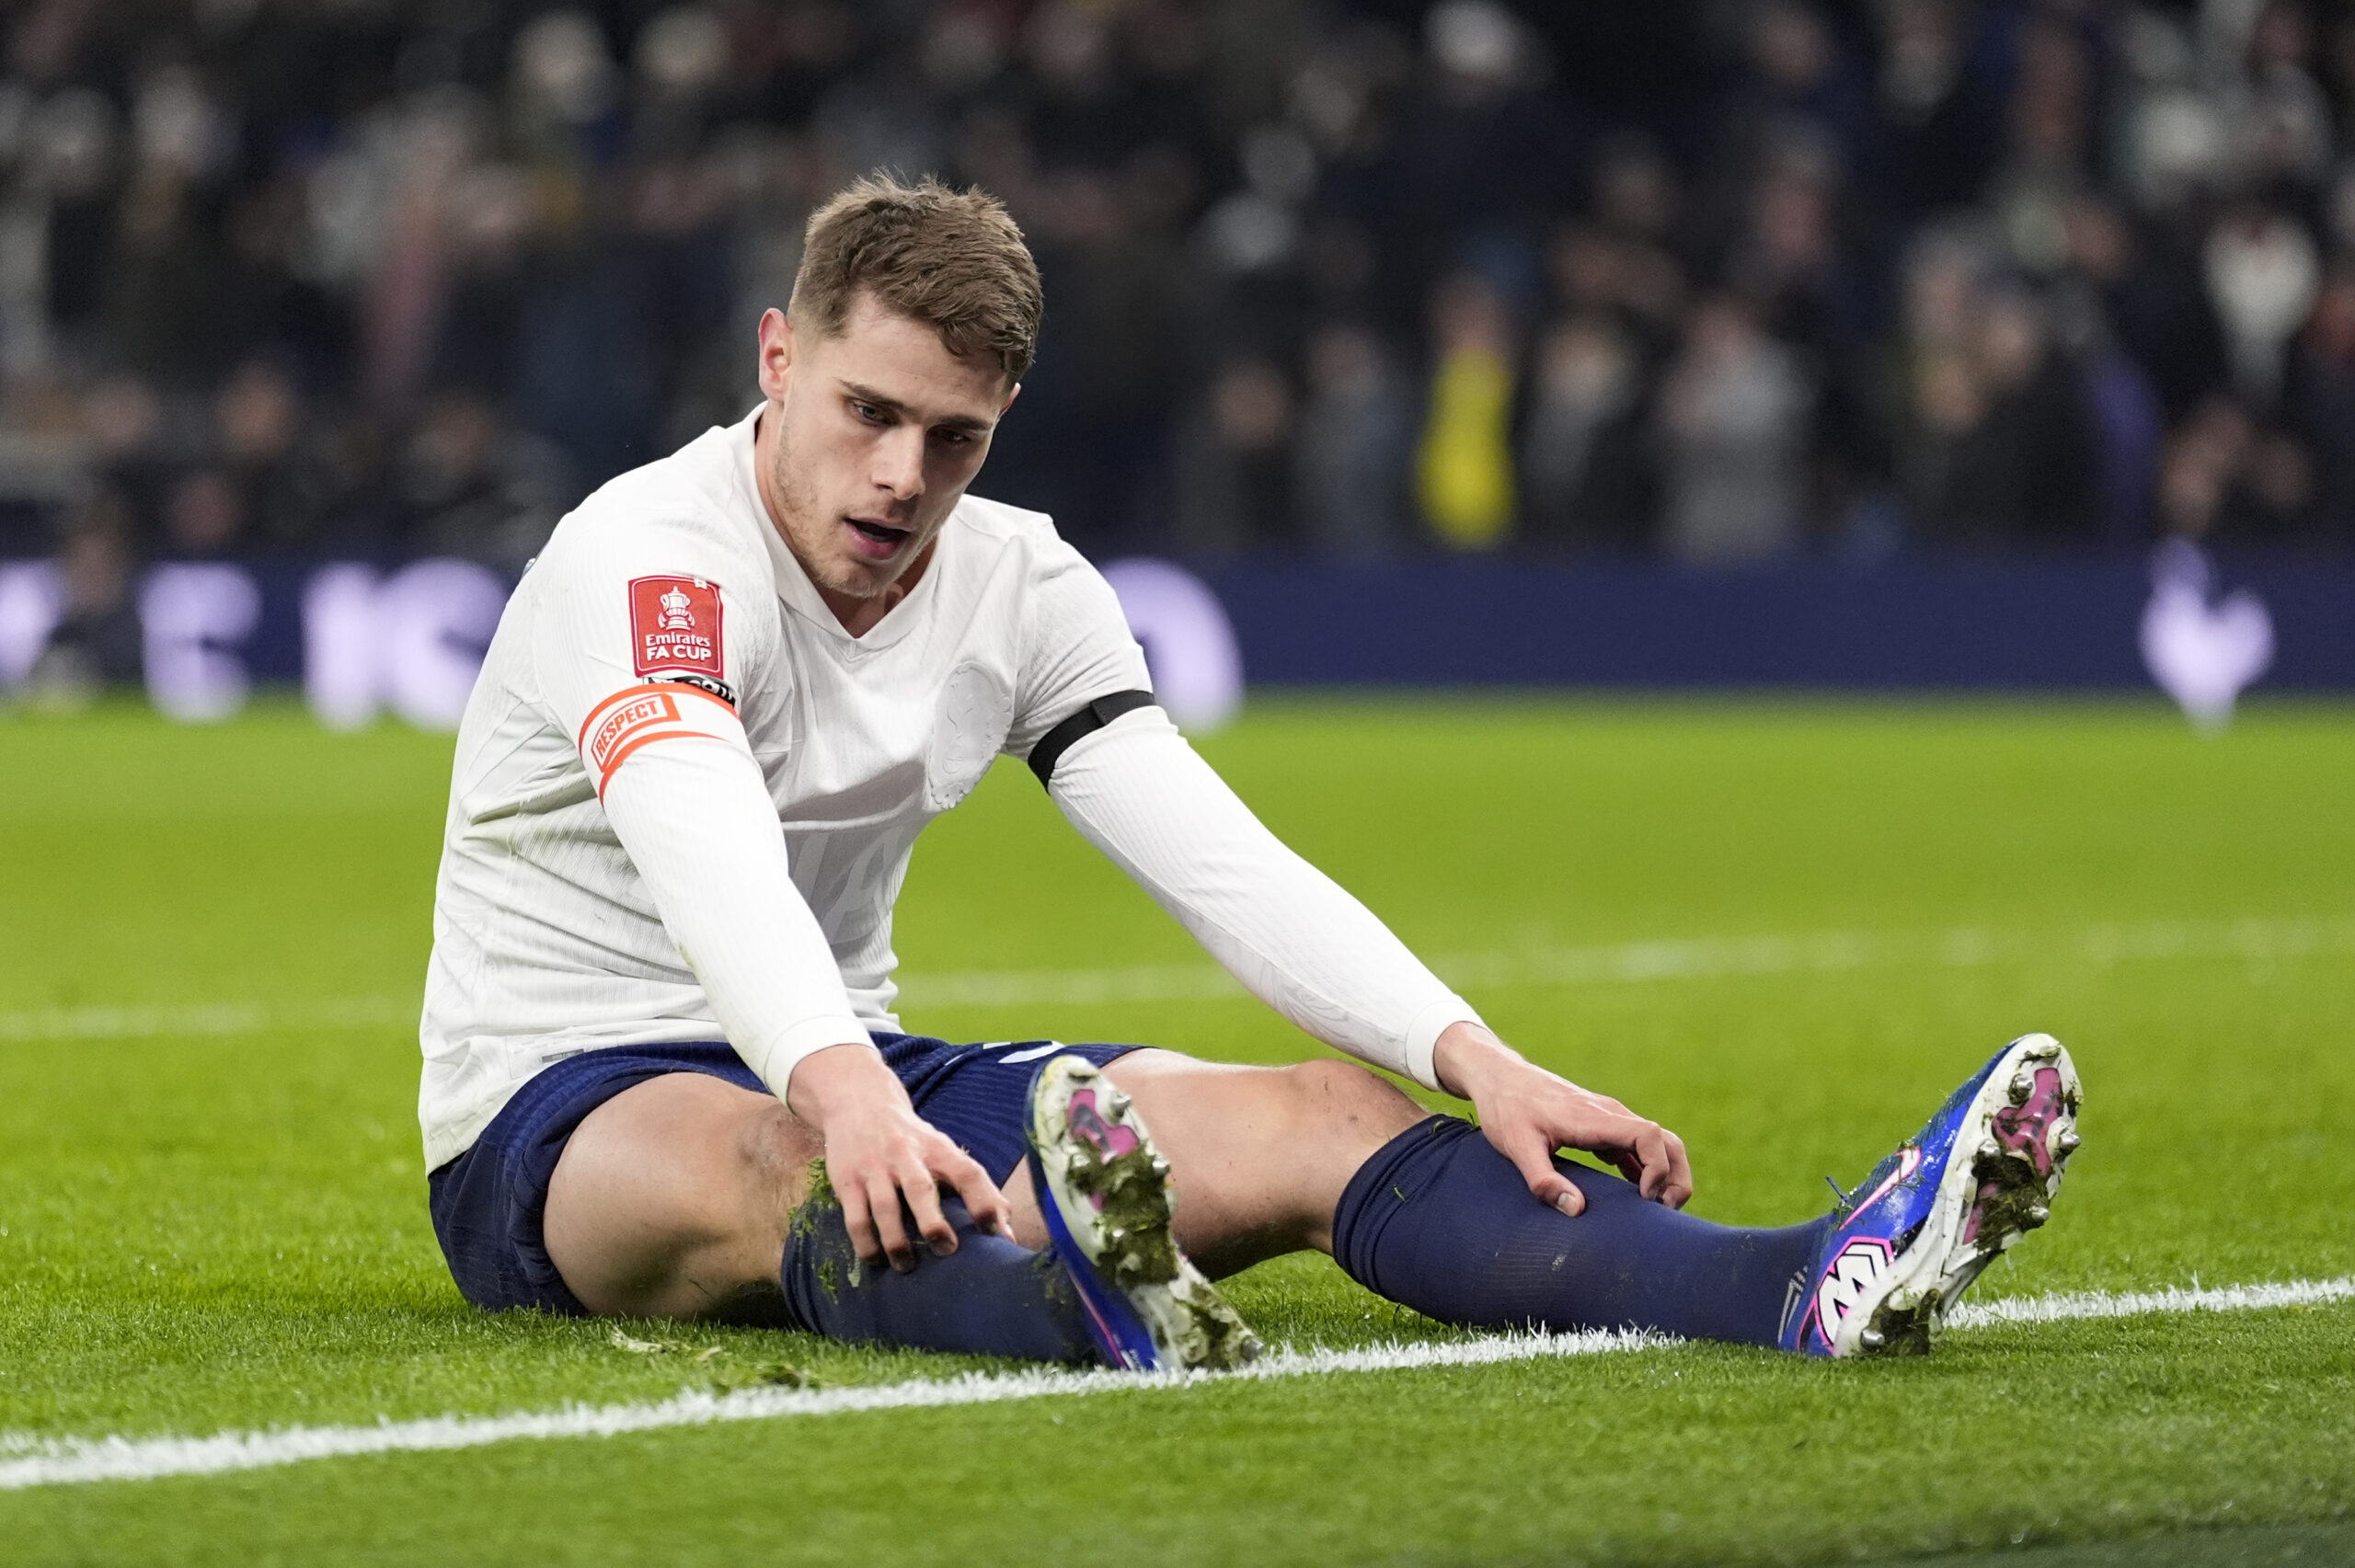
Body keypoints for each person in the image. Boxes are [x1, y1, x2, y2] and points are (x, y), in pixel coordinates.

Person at [420, 177, 2082, 1370]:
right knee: (774, 1159)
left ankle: (1795, 1281)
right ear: (778, 360)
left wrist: (1470, 1049)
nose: (904, 475)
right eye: (868, 411)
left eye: (958, 437)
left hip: (862, 1055)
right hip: (563, 1108)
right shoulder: (646, 555)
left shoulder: (1021, 581)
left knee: (1330, 1111)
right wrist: (842, 1090)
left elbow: (1219, 858)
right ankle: (1060, 1301)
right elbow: (701, 831)